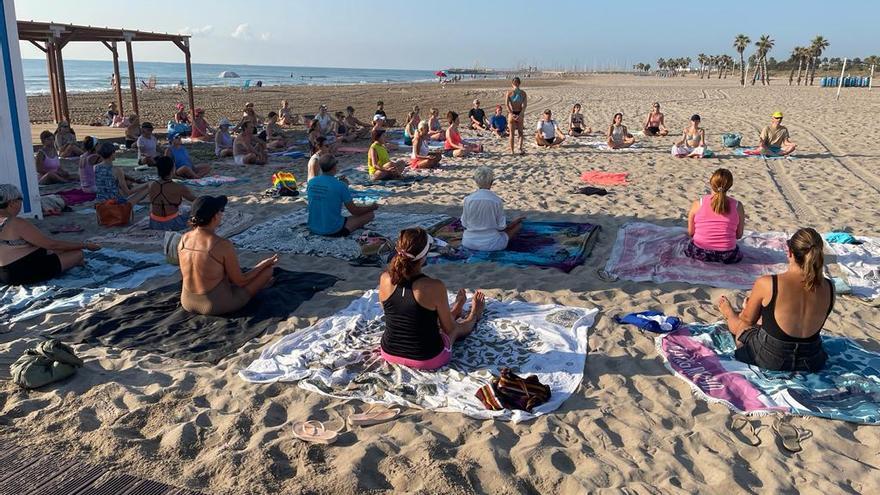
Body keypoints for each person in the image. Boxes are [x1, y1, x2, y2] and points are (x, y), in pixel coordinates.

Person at [717, 228, 834, 372]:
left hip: (770, 358)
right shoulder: (829, 286)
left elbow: (746, 321)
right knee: (767, 322)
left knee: (743, 329)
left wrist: (732, 313)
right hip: (811, 359)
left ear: (790, 253)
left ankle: (727, 312)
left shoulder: (769, 283)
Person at [378, 227, 485, 370]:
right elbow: (449, 329)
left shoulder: (385, 278)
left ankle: (456, 308)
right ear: (424, 256)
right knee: (455, 329)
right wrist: (468, 317)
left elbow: (400, 314)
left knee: (421, 319)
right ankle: (474, 315)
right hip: (427, 358)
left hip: (389, 352)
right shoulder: (434, 286)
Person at [178, 195, 278, 316]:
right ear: (215, 216)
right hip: (213, 305)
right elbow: (240, 281)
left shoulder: (184, 238)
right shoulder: (221, 244)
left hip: (187, 301)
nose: (222, 214)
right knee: (268, 272)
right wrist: (263, 264)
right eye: (221, 211)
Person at [0, 184, 100, 285]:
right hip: (17, 272)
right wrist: (86, 245)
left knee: (49, 250)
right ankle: (73, 262)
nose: (21, 203)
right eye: (20, 199)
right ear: (12, 203)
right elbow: (52, 244)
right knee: (78, 254)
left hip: (3, 272)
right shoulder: (17, 223)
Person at [685, 168, 745, 264]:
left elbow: (691, 233)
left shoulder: (698, 203)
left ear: (711, 183)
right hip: (727, 255)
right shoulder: (738, 206)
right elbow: (739, 235)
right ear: (730, 186)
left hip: (700, 252)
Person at [307, 156, 378, 236]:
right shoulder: (340, 185)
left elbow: (324, 195)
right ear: (334, 167)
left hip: (313, 227)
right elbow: (355, 211)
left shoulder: (311, 182)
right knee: (369, 214)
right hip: (333, 229)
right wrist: (372, 207)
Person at [461, 167, 523, 251]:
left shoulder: (468, 199)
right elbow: (501, 227)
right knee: (518, 226)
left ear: (476, 181)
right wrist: (512, 224)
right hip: (491, 244)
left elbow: (464, 224)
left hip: (468, 242)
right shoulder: (496, 200)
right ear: (492, 182)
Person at [506, 77, 528, 154]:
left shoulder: (509, 93)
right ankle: (520, 148)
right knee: (520, 133)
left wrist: (511, 114)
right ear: (519, 83)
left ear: (512, 84)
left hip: (512, 114)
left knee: (511, 134)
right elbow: (524, 105)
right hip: (519, 113)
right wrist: (521, 114)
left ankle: (512, 151)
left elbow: (507, 105)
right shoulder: (523, 93)